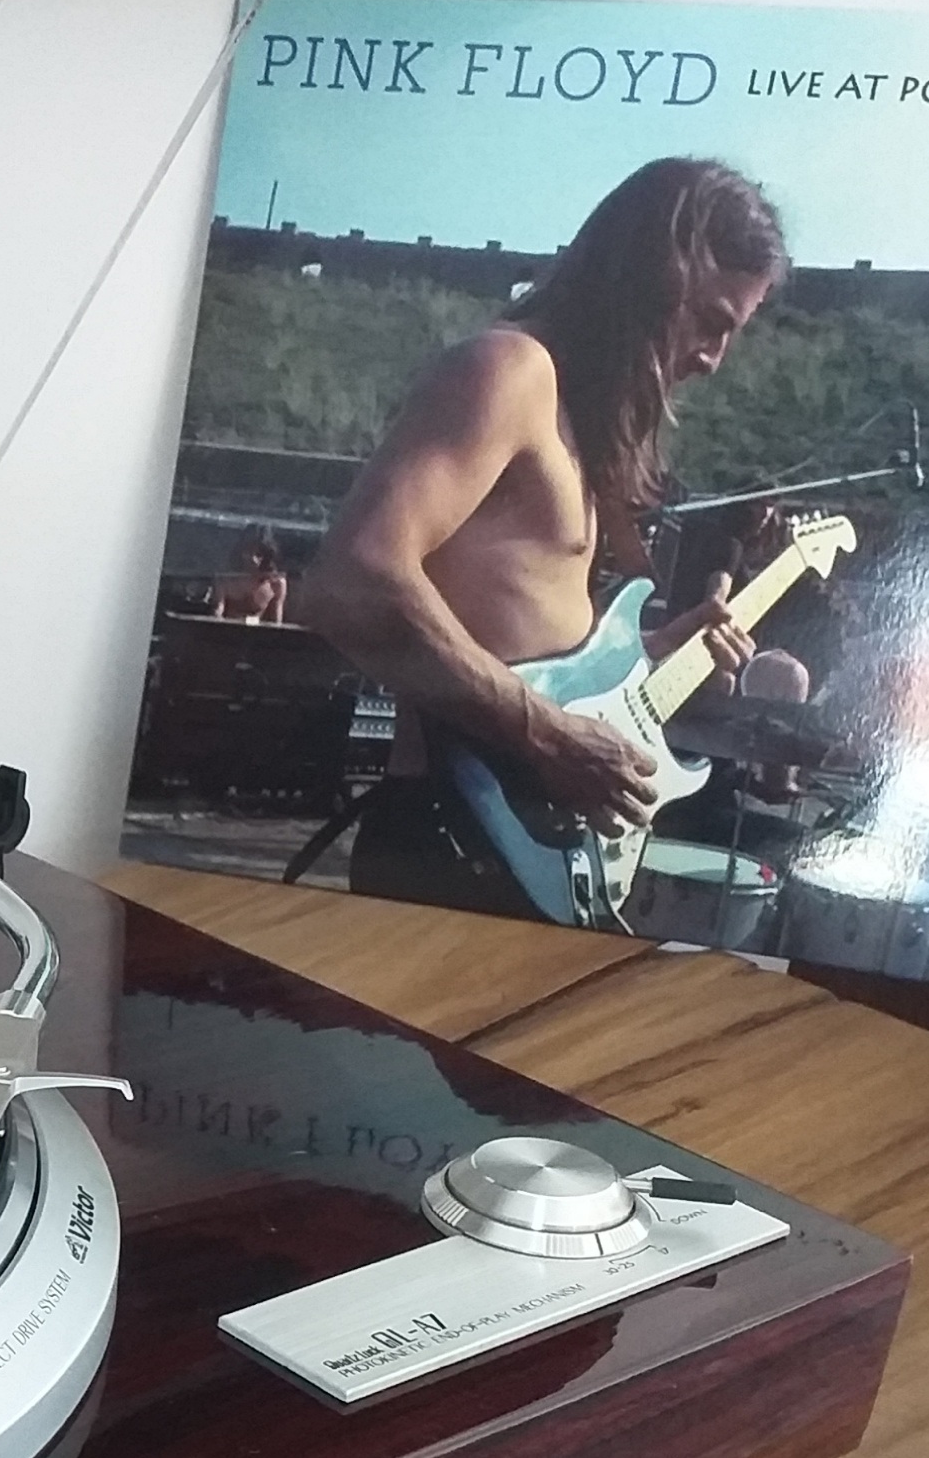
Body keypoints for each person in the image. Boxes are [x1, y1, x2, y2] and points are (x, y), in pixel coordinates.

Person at [301, 158, 781, 918]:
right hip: (456, 836)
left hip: (520, 840)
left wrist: (652, 654)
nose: (712, 360)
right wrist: (550, 737)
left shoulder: (574, 416)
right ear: (655, 276)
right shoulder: (509, 370)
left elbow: (515, 631)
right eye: (712, 321)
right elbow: (352, 580)